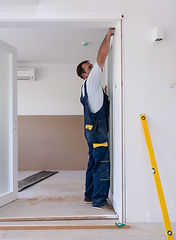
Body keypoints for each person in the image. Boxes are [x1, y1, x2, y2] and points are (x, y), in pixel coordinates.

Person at [76, 28, 114, 211]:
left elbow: (94, 104)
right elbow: (102, 57)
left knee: (92, 163)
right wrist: (107, 37)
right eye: (89, 68)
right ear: (84, 74)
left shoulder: (86, 87)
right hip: (98, 135)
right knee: (101, 166)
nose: (93, 68)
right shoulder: (90, 81)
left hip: (90, 133)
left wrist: (103, 94)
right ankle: (99, 200)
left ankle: (89, 196)